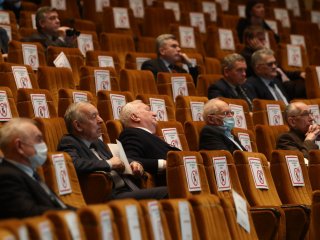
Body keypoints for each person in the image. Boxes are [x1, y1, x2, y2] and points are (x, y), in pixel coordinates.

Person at [57, 102, 168, 200]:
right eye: (93, 116)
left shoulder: (98, 143)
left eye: (99, 115)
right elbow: (74, 164)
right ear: (78, 125)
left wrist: (133, 163)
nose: (100, 120)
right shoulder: (68, 142)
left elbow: (117, 159)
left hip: (128, 189)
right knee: (168, 192)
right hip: (109, 195)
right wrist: (109, 164)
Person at [0, 118, 71, 219]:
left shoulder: (31, 173)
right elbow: (30, 213)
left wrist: (82, 213)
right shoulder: (7, 177)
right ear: (19, 146)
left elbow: (56, 205)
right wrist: (73, 215)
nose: (43, 144)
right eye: (39, 139)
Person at [118, 100, 180, 186]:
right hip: (171, 183)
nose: (154, 113)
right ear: (135, 117)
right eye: (148, 110)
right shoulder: (130, 133)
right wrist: (165, 164)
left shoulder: (148, 135)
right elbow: (130, 160)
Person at [241, 25, 306, 98]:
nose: (264, 42)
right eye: (260, 39)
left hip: (277, 83)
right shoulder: (247, 56)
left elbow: (280, 70)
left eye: (264, 39)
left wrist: (299, 73)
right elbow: (271, 73)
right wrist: (261, 50)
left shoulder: (266, 56)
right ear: (250, 40)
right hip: (265, 86)